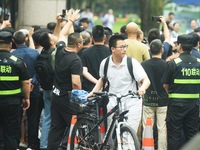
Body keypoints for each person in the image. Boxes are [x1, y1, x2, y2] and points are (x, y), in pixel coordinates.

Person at [88, 34, 150, 148]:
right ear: (112, 49)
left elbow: (146, 80)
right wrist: (92, 92)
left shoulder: (132, 63)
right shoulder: (105, 63)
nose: (124, 49)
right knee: (112, 137)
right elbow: (102, 79)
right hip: (113, 102)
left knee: (128, 137)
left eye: (125, 46)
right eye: (121, 47)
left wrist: (142, 89)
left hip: (132, 103)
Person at [47, 9, 83, 150]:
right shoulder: (75, 60)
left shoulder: (61, 50)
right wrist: (79, 97)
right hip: (67, 98)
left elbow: (62, 34)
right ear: (79, 45)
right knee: (74, 124)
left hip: (56, 95)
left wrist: (71, 21)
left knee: (56, 127)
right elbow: (75, 82)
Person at [162, 34, 200, 150]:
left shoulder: (174, 63)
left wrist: (172, 94)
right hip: (194, 105)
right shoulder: (199, 63)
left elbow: (165, 84)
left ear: (180, 46)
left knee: (174, 135)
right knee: (192, 135)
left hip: (176, 105)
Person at [0, 31, 30, 150]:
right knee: (11, 133)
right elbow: (26, 82)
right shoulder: (17, 61)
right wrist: (27, 98)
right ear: (11, 44)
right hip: (12, 103)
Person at [12, 30, 40, 150]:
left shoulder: (12, 55)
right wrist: (32, 81)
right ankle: (32, 143)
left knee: (16, 118)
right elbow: (39, 70)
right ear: (26, 40)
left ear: (13, 41)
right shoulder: (35, 53)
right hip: (34, 90)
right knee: (33, 118)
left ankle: (16, 142)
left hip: (17, 91)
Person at [141, 39, 168, 150]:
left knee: (147, 127)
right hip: (163, 101)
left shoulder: (143, 64)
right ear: (162, 50)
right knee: (162, 128)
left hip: (148, 100)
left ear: (150, 50)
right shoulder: (166, 65)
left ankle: (147, 147)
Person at [82, 25, 111, 92]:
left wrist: (97, 82)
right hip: (107, 88)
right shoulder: (110, 52)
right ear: (104, 37)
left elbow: (84, 71)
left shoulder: (85, 52)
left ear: (92, 38)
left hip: (90, 88)